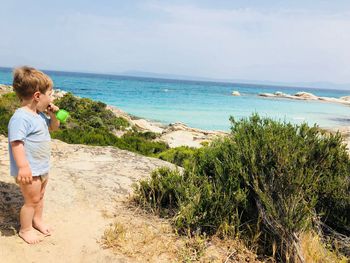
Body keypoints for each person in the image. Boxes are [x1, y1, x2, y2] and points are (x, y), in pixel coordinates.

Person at [8, 66, 60, 244]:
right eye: (50, 94)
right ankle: (25, 229)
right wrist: (23, 166)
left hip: (42, 167)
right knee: (31, 200)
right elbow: (16, 142)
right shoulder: (21, 117)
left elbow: (53, 128)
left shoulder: (38, 115)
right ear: (38, 96)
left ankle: (37, 220)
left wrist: (53, 116)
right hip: (29, 169)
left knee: (40, 196)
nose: (52, 98)